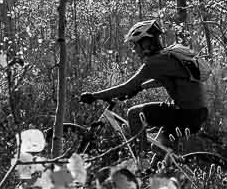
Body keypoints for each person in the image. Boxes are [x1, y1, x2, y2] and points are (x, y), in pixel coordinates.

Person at [80, 18, 209, 145]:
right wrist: (141, 87)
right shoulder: (167, 56)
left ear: (146, 43)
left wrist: (94, 96)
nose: (134, 50)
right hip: (196, 112)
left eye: (135, 45)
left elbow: (126, 87)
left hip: (185, 114)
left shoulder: (155, 62)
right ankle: (165, 163)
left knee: (134, 114)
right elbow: (164, 80)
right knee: (159, 147)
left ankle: (141, 160)